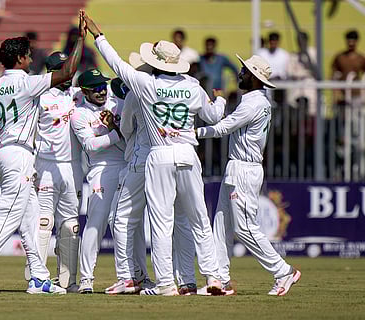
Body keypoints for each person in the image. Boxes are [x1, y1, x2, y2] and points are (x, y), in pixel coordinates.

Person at [84, 13, 226, 296]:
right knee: (198, 218)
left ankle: (165, 284)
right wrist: (220, 98)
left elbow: (116, 64)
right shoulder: (192, 86)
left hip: (159, 155)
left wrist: (98, 36)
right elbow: (213, 116)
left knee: (161, 222)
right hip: (187, 152)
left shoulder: (145, 84)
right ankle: (213, 277)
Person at [0, 11, 86, 294]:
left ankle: (39, 277)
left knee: (30, 216)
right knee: (8, 213)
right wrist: (80, 40)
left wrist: (11, 120)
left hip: (1, 152)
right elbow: (66, 72)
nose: (32, 58)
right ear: (21, 59)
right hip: (19, 154)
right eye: (29, 55)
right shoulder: (28, 82)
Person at [196, 54, 301, 296]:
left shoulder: (253, 102)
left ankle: (283, 271)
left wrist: (191, 132)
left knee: (245, 228)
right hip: (237, 167)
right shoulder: (257, 99)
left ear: (254, 78)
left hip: (245, 168)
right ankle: (221, 280)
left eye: (244, 71)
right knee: (221, 225)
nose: (239, 74)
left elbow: (224, 127)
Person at [105, 55, 196, 296]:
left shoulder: (138, 91)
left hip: (142, 159)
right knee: (178, 220)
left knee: (121, 218)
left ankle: (129, 277)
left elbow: (125, 128)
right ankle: (184, 278)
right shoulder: (176, 87)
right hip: (174, 156)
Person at [70, 69, 127, 294]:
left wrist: (114, 127)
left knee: (127, 224)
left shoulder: (116, 104)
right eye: (95, 88)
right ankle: (86, 279)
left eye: (103, 86)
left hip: (126, 165)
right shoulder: (79, 114)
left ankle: (135, 277)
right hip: (101, 170)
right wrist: (115, 133)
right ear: (84, 91)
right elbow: (91, 146)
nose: (102, 91)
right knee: (96, 223)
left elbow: (127, 138)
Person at [30, 51, 83, 293]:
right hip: (46, 165)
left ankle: (68, 281)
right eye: (63, 69)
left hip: (73, 166)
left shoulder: (77, 95)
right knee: (43, 223)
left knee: (70, 225)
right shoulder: (39, 97)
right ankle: (37, 277)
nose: (69, 72)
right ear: (53, 72)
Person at [331, 29, 365, 101]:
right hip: (342, 94)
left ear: (356, 42)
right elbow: (333, 74)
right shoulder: (340, 57)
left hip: (357, 95)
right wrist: (336, 91)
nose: (351, 44)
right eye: (349, 41)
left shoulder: (361, 58)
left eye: (353, 41)